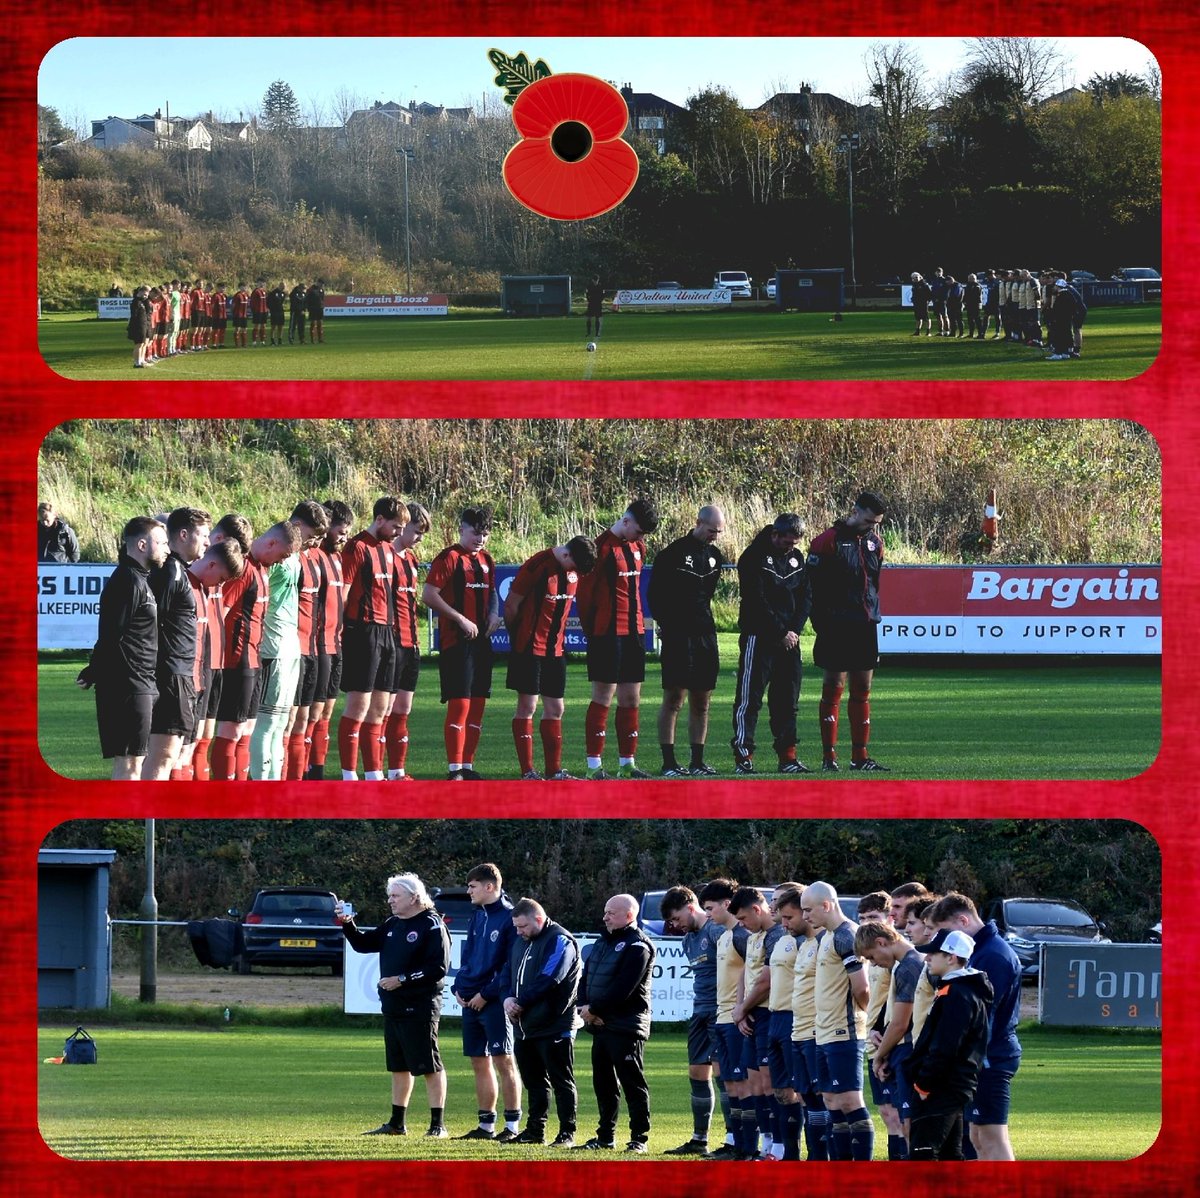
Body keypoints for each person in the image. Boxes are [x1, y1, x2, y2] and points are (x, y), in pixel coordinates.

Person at [339, 873, 452, 1138]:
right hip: (393, 1006)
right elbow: (362, 945)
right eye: (389, 895)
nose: (390, 901)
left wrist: (402, 980)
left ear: (414, 897)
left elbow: (438, 968)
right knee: (399, 1065)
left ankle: (438, 1125)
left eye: (395, 896)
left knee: (429, 1064)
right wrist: (347, 923)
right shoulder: (392, 923)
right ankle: (396, 1123)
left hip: (420, 1005)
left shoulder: (432, 925)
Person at [928, 892, 1022, 1161]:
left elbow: (982, 1016)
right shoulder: (979, 952)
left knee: (992, 1136)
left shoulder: (993, 956)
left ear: (963, 919)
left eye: (945, 931)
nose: (943, 941)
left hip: (991, 1056)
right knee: (977, 1136)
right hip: (981, 1056)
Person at [76, 516, 169, 779]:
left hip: (141, 684)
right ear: (142, 544)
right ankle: (125, 819)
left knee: (135, 761)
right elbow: (111, 635)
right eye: (161, 542)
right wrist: (93, 672)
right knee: (129, 764)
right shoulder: (127, 581)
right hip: (127, 687)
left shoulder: (140, 579)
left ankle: (131, 818)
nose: (167, 549)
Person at [209, 520, 302, 781]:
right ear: (271, 543)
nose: (283, 561)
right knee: (231, 729)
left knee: (246, 728)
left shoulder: (262, 569)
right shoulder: (245, 570)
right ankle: (225, 801)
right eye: (283, 555)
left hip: (253, 659)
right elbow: (221, 611)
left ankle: (245, 797)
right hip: (237, 660)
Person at [575, 498, 660, 779]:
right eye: (638, 531)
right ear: (626, 521)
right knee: (603, 697)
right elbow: (584, 597)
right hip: (606, 634)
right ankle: (594, 767)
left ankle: (627, 764)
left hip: (634, 632)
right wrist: (593, 631)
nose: (641, 537)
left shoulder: (639, 548)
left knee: (631, 699)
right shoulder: (599, 549)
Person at [504, 535, 597, 779]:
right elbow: (511, 605)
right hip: (529, 647)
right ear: (566, 555)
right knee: (528, 706)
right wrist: (519, 638)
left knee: (556, 708)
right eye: (574, 566)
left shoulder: (572, 571)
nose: (574, 572)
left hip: (555, 649)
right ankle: (528, 772)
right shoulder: (537, 566)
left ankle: (554, 771)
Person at [807, 492, 888, 772]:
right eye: (869, 521)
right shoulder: (826, 541)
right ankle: (829, 757)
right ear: (854, 512)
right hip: (835, 626)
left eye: (876, 523)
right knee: (833, 689)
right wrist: (821, 622)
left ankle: (860, 757)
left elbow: (874, 583)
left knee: (863, 689)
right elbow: (812, 587)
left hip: (865, 624)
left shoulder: (875, 543)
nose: (872, 527)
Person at [422, 505, 501, 780]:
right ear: (462, 530)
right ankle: (454, 769)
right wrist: (460, 619)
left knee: (478, 704)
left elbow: (492, 592)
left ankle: (467, 766)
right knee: (461, 705)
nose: (480, 539)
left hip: (482, 644)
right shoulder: (449, 558)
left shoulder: (486, 560)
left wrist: (494, 612)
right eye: (475, 533)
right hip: (457, 642)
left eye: (485, 534)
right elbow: (429, 595)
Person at [250, 501, 328, 780]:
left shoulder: (292, 557)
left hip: (288, 646)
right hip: (273, 646)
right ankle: (263, 787)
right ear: (295, 527)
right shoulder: (276, 558)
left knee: (281, 721)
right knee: (268, 721)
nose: (312, 543)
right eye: (309, 536)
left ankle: (275, 785)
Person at [647, 505, 727, 777]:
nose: (714, 536)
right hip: (678, 635)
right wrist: (667, 625)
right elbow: (655, 595)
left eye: (718, 531)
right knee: (674, 699)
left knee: (702, 701)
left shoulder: (716, 557)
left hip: (706, 635)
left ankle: (697, 762)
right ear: (698, 523)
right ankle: (669, 763)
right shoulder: (672, 554)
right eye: (711, 530)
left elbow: (707, 597)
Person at [730, 512, 811, 774]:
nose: (791, 548)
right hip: (760, 636)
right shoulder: (752, 558)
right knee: (749, 698)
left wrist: (795, 631)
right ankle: (744, 756)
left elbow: (806, 596)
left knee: (787, 699)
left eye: (795, 544)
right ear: (775, 535)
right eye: (787, 542)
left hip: (790, 640)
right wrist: (780, 632)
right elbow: (756, 600)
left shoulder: (797, 558)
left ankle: (788, 756)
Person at [575, 893, 655, 1153]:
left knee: (632, 1083)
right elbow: (585, 979)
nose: (605, 916)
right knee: (604, 1083)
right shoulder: (602, 943)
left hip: (626, 1026)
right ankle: (605, 1137)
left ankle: (639, 1139)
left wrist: (594, 1009)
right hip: (600, 1025)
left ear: (629, 915)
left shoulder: (638, 946)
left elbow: (624, 989)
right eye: (605, 911)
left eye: (611, 912)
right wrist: (584, 1008)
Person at [907, 928, 994, 1161]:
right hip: (950, 1085)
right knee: (949, 1156)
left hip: (942, 1087)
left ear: (951, 957)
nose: (926, 958)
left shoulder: (957, 994)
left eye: (933, 953)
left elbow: (945, 1047)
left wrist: (924, 1084)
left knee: (922, 1155)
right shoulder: (957, 990)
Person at [502, 897, 582, 1147]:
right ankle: (535, 1130)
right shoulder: (521, 941)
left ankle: (567, 1133)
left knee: (561, 1081)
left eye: (523, 926)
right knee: (534, 1082)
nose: (519, 931)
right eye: (516, 927)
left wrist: (520, 1001)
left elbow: (550, 978)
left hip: (554, 1024)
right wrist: (506, 999)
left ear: (538, 919)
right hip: (524, 1026)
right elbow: (507, 972)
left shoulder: (560, 940)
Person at [801, 881, 872, 1161]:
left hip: (845, 1032)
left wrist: (863, 1019)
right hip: (824, 1032)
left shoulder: (846, 936)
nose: (805, 916)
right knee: (831, 1100)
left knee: (850, 1101)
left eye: (808, 910)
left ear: (826, 905)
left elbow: (862, 988)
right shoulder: (826, 936)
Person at [451, 863, 522, 1142]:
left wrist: (486, 994)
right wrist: (459, 987)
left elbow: (509, 965)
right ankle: (485, 1126)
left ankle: (512, 1126)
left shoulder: (508, 917)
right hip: (470, 1000)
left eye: (472, 886)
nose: (468, 891)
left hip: (492, 1002)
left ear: (489, 886)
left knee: (504, 1060)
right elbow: (467, 957)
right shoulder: (477, 915)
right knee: (478, 1062)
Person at [658, 885, 729, 1156]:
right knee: (697, 1073)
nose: (675, 926)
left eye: (676, 919)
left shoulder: (715, 930)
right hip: (699, 1012)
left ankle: (733, 1140)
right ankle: (699, 1139)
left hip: (720, 1012)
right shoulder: (688, 940)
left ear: (691, 907)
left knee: (725, 1076)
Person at [338, 498, 406, 780]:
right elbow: (343, 592)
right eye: (395, 527)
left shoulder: (389, 550)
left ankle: (374, 775)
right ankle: (348, 776)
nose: (399, 533)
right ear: (379, 520)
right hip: (362, 632)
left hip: (386, 632)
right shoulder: (357, 547)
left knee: (381, 708)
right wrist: (340, 629)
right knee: (359, 705)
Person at [142, 507, 211, 781]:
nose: (208, 541)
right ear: (183, 535)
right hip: (171, 675)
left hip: (180, 674)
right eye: (203, 535)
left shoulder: (180, 571)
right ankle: (147, 819)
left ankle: (153, 816)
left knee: (170, 753)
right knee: (163, 754)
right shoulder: (170, 572)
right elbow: (150, 623)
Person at [175, 538, 245, 780]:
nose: (221, 585)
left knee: (193, 744)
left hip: (204, 673)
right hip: (184, 678)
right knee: (178, 751)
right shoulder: (182, 584)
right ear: (213, 564)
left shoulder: (204, 587)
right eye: (223, 579)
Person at [855, 916, 925, 1159]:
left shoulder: (909, 966)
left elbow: (900, 1023)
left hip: (909, 1053)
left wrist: (879, 1056)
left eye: (872, 956)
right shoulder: (902, 965)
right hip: (900, 1052)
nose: (873, 964)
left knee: (912, 1125)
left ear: (882, 942)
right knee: (906, 1124)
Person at [730, 885, 788, 1160]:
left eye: (743, 919)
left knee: (770, 1085)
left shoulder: (776, 935)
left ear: (756, 909)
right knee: (754, 1084)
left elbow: (766, 981)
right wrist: (740, 1008)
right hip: (751, 1014)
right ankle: (765, 1144)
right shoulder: (753, 936)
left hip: (767, 1014)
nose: (742, 925)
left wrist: (743, 1008)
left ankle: (780, 1145)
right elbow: (745, 974)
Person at [776, 884, 830, 1160]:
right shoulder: (805, 944)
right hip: (798, 1030)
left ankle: (823, 1158)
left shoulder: (825, 942)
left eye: (790, 917)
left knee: (823, 1098)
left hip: (817, 1032)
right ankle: (812, 1157)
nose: (784, 924)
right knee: (807, 1095)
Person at [702, 877, 753, 1160]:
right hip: (721, 1019)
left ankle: (750, 1146)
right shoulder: (722, 937)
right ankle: (736, 1143)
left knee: (744, 1084)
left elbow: (756, 974)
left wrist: (742, 1008)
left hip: (736, 1021)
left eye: (710, 908)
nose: (707, 914)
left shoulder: (742, 936)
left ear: (726, 904)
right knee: (730, 1084)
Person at [305, 500, 353, 779]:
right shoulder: (313, 557)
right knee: (312, 713)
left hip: (336, 642)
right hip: (317, 643)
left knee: (326, 712)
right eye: (340, 531)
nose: (344, 536)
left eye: (347, 531)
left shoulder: (337, 558)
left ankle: (319, 771)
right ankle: (306, 771)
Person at [385, 503, 431, 781]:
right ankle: (376, 773)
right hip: (389, 643)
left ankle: (397, 771)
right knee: (383, 710)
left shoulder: (411, 560)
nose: (419, 538)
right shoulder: (385, 557)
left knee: (403, 709)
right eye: (417, 531)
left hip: (411, 642)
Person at [1046, 279, 1081, 361]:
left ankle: (1058, 353)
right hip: (1067, 319)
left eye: (1055, 286)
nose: (1054, 287)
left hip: (1060, 320)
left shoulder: (1061, 296)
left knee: (1058, 336)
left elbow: (1057, 310)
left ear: (1058, 286)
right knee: (1067, 336)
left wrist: (1053, 318)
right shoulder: (1069, 295)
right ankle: (1066, 353)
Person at [126, 287, 153, 369]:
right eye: (144, 294)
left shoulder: (143, 302)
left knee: (143, 344)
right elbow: (134, 315)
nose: (145, 296)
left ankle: (141, 360)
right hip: (138, 326)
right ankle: (137, 362)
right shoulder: (136, 302)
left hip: (143, 325)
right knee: (138, 344)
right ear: (140, 292)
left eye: (147, 295)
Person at [964, 273, 984, 340]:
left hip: (976, 305)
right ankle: (971, 334)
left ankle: (980, 334)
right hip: (969, 305)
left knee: (977, 320)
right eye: (969, 278)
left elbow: (976, 296)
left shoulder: (977, 286)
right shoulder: (968, 285)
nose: (969, 279)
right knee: (970, 320)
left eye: (971, 278)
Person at [584, 275, 604, 341]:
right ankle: (588, 332)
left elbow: (603, 295)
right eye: (595, 280)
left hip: (598, 304)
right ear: (592, 280)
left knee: (597, 318)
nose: (596, 282)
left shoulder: (601, 286)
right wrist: (589, 300)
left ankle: (597, 333)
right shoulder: (589, 286)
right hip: (591, 304)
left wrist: (599, 301)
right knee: (588, 318)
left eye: (597, 280)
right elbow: (587, 295)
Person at [250, 278, 269, 346]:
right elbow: (252, 302)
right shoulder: (255, 292)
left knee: (263, 326)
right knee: (256, 326)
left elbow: (267, 301)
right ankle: (254, 341)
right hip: (257, 311)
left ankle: (262, 341)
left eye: (263, 282)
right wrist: (254, 310)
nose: (261, 284)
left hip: (264, 311)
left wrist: (267, 309)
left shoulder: (264, 291)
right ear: (257, 283)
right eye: (260, 282)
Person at [231, 284, 250, 348]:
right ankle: (237, 344)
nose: (244, 288)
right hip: (238, 315)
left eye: (245, 286)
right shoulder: (237, 295)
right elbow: (233, 305)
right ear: (239, 287)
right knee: (237, 329)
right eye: (243, 287)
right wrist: (234, 313)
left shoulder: (246, 295)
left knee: (244, 329)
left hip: (244, 315)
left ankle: (244, 344)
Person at [307, 278, 326, 343]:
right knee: (313, 323)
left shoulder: (321, 290)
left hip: (319, 308)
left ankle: (320, 339)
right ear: (317, 283)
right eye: (321, 284)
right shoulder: (311, 289)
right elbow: (307, 299)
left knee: (320, 323)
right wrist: (308, 307)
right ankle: (312, 339)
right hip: (313, 308)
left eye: (322, 285)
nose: (322, 286)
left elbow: (322, 299)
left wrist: (322, 305)